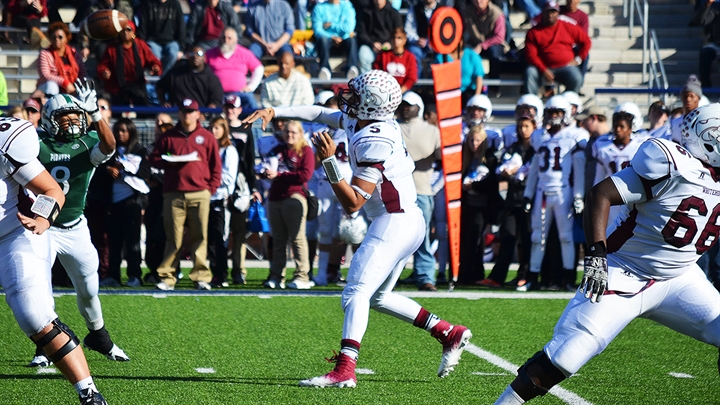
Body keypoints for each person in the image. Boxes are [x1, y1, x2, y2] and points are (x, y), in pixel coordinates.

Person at [242, 69, 473, 386]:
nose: (347, 97)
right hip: (406, 218)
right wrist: (275, 110)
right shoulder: (363, 121)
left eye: (355, 94)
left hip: (395, 220)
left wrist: (328, 161)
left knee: (355, 293)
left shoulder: (373, 139)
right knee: (376, 297)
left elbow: (352, 204)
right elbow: (322, 113)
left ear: (369, 104)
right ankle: (447, 332)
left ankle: (344, 371)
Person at [493, 102, 720, 405]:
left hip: (680, 278)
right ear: (709, 138)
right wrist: (597, 258)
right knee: (565, 358)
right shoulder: (672, 162)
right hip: (624, 270)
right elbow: (600, 194)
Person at [0, 116, 109, 404]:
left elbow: (52, 190)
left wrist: (42, 217)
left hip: (14, 233)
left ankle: (89, 394)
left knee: (32, 313)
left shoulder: (5, 142)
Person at [31, 82, 129, 369]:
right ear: (50, 120)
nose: (73, 122)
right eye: (65, 117)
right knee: (39, 289)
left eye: (76, 116)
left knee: (88, 288)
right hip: (43, 226)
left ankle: (99, 337)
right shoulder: (36, 143)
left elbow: (109, 147)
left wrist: (97, 115)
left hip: (75, 226)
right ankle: (44, 345)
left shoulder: (86, 143)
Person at [148, 98, 222, 291]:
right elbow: (154, 159)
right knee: (173, 237)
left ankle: (201, 276)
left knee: (200, 236)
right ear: (178, 113)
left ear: (198, 114)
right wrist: (168, 162)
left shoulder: (207, 137)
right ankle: (168, 277)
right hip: (174, 193)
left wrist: (210, 189)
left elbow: (216, 166)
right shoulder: (168, 136)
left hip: (200, 193)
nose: (187, 115)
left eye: (191, 111)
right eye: (183, 111)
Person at [520, 95, 587, 291]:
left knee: (566, 237)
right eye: (551, 112)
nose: (554, 116)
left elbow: (580, 169)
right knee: (537, 238)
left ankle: (568, 279)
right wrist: (528, 194)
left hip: (562, 192)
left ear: (566, 114)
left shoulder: (576, 135)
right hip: (542, 193)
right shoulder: (539, 136)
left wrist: (578, 196)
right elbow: (534, 169)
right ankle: (532, 277)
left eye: (558, 112)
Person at [481, 113, 536, 288]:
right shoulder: (513, 148)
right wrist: (506, 172)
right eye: (520, 126)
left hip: (529, 200)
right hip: (512, 200)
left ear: (534, 127)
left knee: (526, 240)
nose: (523, 130)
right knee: (507, 237)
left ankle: (524, 275)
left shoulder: (537, 149)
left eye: (527, 126)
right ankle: (497, 277)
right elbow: (500, 169)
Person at [260, 120, 315, 289]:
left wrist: (279, 175)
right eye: (287, 132)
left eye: (293, 132)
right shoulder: (277, 150)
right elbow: (265, 168)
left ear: (300, 134)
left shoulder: (306, 151)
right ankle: (277, 276)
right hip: (275, 197)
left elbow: (305, 175)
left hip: (295, 197)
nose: (290, 135)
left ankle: (302, 276)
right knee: (278, 240)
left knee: (297, 239)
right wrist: (263, 172)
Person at [397, 91, 441, 291]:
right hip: (396, 191)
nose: (406, 107)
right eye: (403, 104)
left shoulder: (433, 131)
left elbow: (442, 160)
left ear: (419, 107)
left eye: (410, 104)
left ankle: (425, 276)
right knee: (395, 238)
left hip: (422, 190)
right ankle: (393, 276)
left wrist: (435, 186)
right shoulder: (392, 127)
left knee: (422, 237)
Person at [102, 118, 149, 287]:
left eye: (124, 130)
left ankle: (135, 276)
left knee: (132, 241)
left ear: (131, 132)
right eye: (118, 130)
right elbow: (99, 168)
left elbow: (145, 172)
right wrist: (108, 168)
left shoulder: (140, 151)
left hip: (131, 202)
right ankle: (113, 275)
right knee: (114, 241)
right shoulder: (109, 150)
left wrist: (123, 167)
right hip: (112, 203)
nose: (121, 134)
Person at [223, 95, 261, 285]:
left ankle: (238, 270)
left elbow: (249, 162)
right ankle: (219, 270)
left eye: (233, 107)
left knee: (238, 231)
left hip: (240, 185)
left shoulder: (246, 130)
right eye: (227, 107)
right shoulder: (217, 128)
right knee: (220, 231)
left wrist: (254, 187)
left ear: (239, 110)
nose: (230, 110)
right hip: (220, 185)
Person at [458, 125, 502, 285]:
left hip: (482, 207)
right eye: (471, 140)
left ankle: (473, 275)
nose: (474, 143)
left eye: (478, 140)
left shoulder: (489, 159)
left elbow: (492, 183)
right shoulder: (465, 158)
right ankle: (466, 274)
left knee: (475, 241)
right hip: (466, 205)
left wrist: (474, 186)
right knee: (467, 241)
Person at [522, 1, 591, 96]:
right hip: (542, 67)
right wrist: (544, 70)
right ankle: (531, 105)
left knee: (577, 78)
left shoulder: (567, 26)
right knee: (530, 72)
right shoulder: (533, 32)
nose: (551, 14)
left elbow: (586, 41)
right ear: (543, 13)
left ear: (558, 13)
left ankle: (567, 104)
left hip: (564, 67)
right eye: (548, 12)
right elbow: (531, 55)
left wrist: (578, 59)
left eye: (553, 12)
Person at [97, 21, 162, 107]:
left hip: (138, 85)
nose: (125, 32)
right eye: (123, 30)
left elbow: (153, 60)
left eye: (128, 30)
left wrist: (155, 67)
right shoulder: (112, 47)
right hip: (117, 86)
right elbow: (102, 66)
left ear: (133, 31)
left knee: (142, 105)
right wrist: (104, 72)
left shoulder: (140, 45)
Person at [207, 116, 239, 287]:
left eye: (218, 127)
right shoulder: (207, 148)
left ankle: (222, 275)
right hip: (207, 198)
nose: (214, 131)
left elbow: (228, 178)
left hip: (221, 198)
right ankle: (213, 273)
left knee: (220, 238)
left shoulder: (229, 150)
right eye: (212, 127)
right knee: (209, 238)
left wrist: (209, 178)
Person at [206, 27, 264, 110]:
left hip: (240, 94)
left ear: (236, 40)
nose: (226, 40)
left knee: (251, 100)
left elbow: (259, 68)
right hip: (216, 94)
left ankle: (257, 123)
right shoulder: (210, 53)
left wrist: (251, 87)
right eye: (223, 37)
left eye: (229, 38)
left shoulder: (244, 53)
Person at [156, 46, 225, 108]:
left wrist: (206, 114)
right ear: (188, 56)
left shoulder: (212, 78)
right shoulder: (175, 73)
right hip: (176, 114)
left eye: (199, 54)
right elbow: (160, 87)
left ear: (204, 57)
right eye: (192, 53)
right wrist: (163, 102)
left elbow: (216, 100)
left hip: (200, 117)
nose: (195, 56)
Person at [462, 0, 508, 94]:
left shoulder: (497, 13)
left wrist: (482, 45)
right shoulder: (466, 12)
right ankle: (467, 86)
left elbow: (499, 37)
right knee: (464, 53)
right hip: (474, 43)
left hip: (493, 44)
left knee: (494, 54)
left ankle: (494, 88)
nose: (479, 1)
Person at [312, 0, 359, 80]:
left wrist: (331, 25)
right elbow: (317, 30)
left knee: (352, 41)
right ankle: (325, 69)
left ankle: (352, 68)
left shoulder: (347, 7)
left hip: (344, 39)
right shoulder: (319, 8)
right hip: (327, 42)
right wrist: (331, 37)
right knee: (323, 40)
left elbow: (349, 28)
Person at [136, 0, 186, 75]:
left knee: (173, 54)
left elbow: (181, 27)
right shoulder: (148, 4)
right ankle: (161, 78)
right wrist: (141, 47)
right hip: (153, 41)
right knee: (155, 58)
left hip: (171, 41)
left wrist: (181, 48)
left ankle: (162, 78)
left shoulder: (175, 4)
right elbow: (143, 27)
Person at [37, 22, 87, 95]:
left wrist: (77, 85)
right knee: (52, 86)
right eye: (54, 37)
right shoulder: (45, 53)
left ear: (66, 38)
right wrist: (65, 83)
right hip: (49, 89)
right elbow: (45, 75)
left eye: (60, 37)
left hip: (72, 86)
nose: (57, 39)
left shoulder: (74, 53)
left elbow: (82, 72)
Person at [356, 0, 403, 74]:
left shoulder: (394, 13)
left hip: (390, 46)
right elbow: (361, 33)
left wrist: (390, 44)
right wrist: (372, 43)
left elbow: (399, 33)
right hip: (370, 45)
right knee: (363, 55)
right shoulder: (365, 12)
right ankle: (367, 82)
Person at [372, 28, 418, 93]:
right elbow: (376, 73)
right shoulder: (383, 55)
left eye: (399, 38)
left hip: (404, 92)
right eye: (394, 37)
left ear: (404, 40)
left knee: (413, 99)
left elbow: (412, 78)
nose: (396, 40)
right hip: (385, 91)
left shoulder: (410, 57)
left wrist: (400, 91)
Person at [405, 0, 442, 78]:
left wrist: (435, 42)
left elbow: (446, 31)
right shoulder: (415, 9)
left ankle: (437, 85)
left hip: (438, 46)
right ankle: (417, 85)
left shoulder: (442, 9)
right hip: (418, 45)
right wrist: (417, 40)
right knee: (413, 54)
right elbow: (408, 30)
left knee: (442, 57)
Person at [691, 0, 720, 88]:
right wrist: (707, 5)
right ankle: (706, 87)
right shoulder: (717, 9)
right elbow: (700, 21)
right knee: (705, 52)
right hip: (717, 45)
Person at [671, 75, 704, 143]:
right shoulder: (675, 123)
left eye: (692, 96)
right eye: (685, 96)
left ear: (698, 98)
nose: (688, 99)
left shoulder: (704, 121)